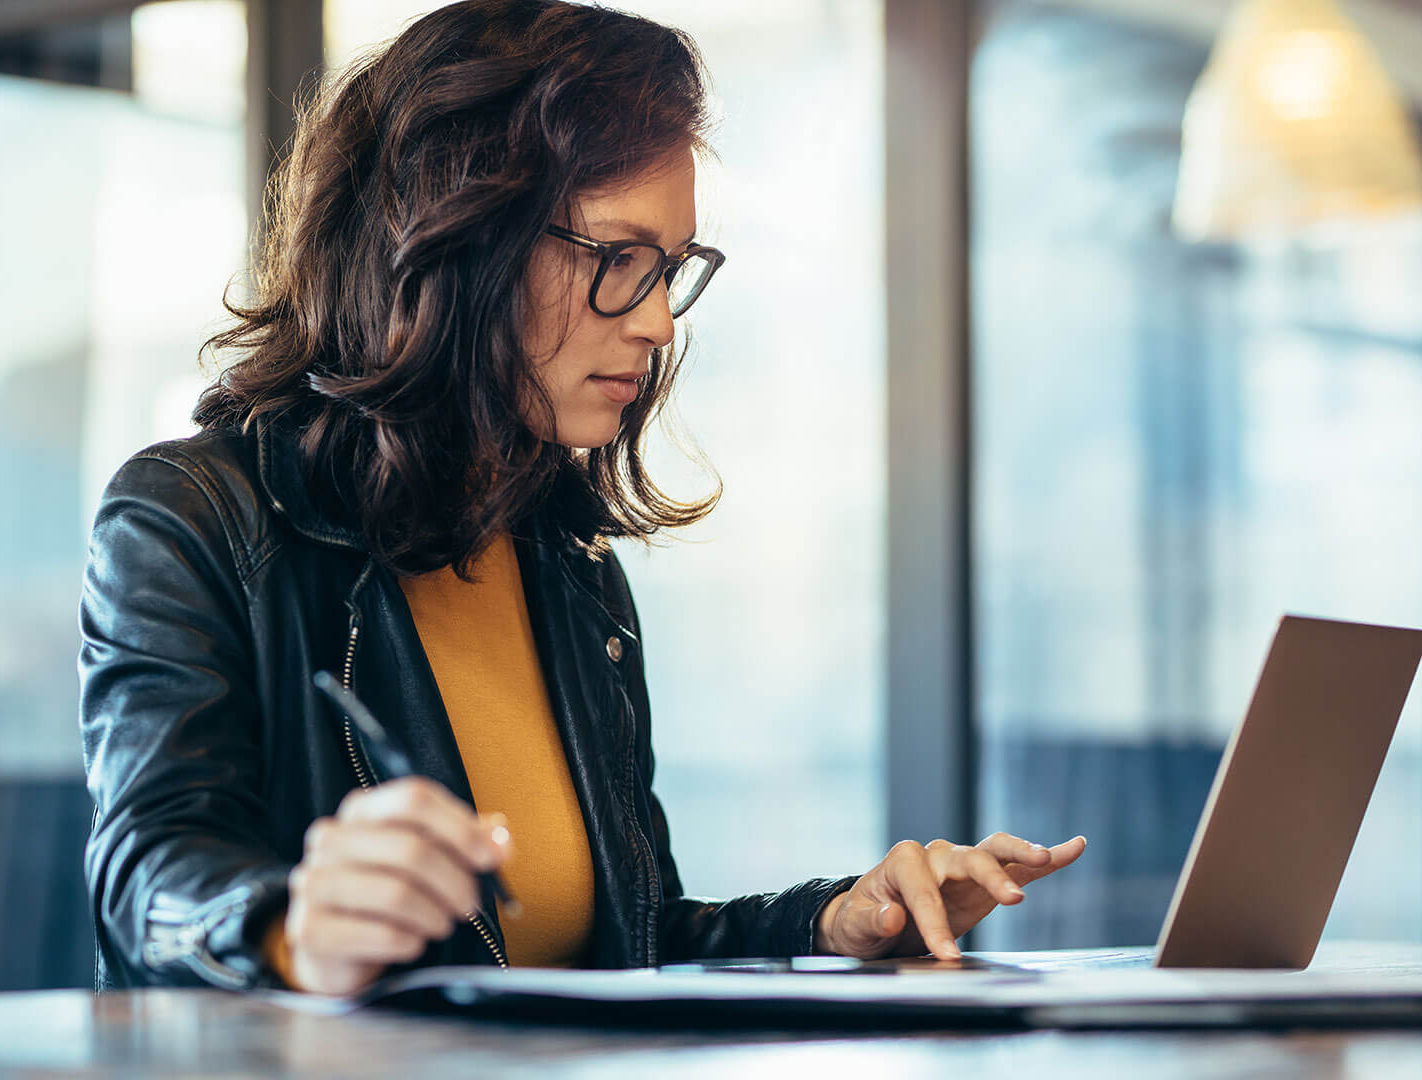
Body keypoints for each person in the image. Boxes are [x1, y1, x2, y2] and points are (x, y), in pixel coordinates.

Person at [79, 0, 1085, 998]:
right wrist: (295, 931)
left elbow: (627, 944)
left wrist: (836, 921)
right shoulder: (191, 518)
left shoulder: (564, 559)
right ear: (456, 238)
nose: (655, 321)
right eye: (616, 260)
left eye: (669, 270)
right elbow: (146, 879)